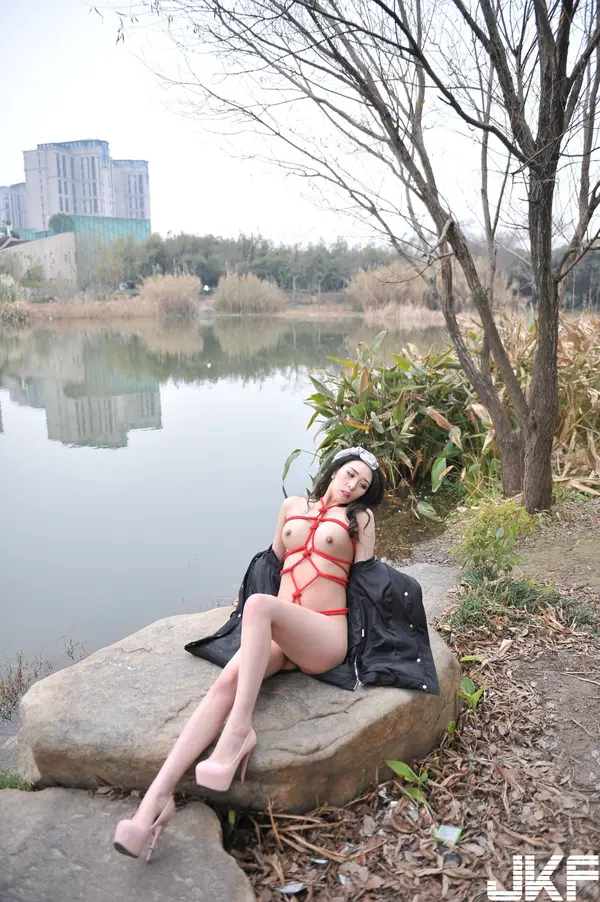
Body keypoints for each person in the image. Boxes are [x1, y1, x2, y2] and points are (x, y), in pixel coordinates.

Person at [113, 446, 439, 861]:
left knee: (259, 607)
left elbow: (368, 582)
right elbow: (270, 565)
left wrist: (387, 635)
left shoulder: (360, 519)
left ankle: (238, 731)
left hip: (323, 635)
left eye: (363, 485)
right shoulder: (291, 507)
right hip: (280, 635)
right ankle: (153, 804)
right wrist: (244, 620)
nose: (353, 486)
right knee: (226, 682)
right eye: (350, 475)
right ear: (334, 471)